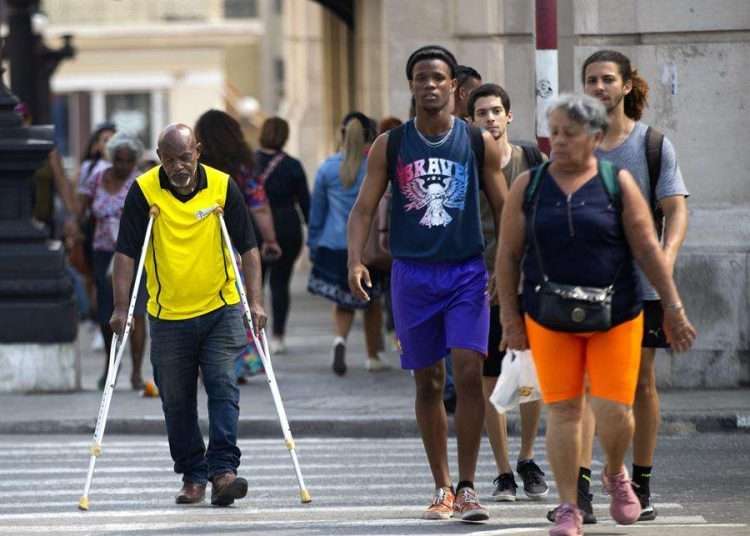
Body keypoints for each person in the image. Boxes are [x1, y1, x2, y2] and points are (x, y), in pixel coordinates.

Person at [496, 93, 696, 536]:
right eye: (555, 132)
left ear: (596, 138)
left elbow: (647, 249)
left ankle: (614, 473)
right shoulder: (527, 186)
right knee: (564, 411)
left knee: (613, 411)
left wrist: (673, 308)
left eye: (570, 133)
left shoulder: (617, 182)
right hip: (549, 316)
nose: (559, 141)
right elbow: (508, 257)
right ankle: (569, 506)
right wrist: (511, 321)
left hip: (616, 314)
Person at [347, 45, 508, 523]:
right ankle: (441, 487)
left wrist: (503, 266)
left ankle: (468, 487)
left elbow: (505, 211)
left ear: (454, 86)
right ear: (412, 85)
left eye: (439, 77)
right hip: (412, 274)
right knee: (428, 380)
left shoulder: (478, 141)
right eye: (421, 78)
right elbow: (361, 208)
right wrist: (356, 260)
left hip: (465, 271)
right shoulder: (391, 145)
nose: (430, 85)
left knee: (467, 369)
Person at [111, 124, 265, 507]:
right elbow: (126, 253)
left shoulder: (222, 186)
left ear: (197, 150)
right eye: (169, 159)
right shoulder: (144, 191)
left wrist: (256, 302)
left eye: (185, 157)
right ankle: (193, 475)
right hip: (167, 314)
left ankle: (224, 472)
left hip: (220, 306)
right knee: (176, 400)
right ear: (159, 158)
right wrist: (119, 307)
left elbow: (248, 249)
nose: (178, 166)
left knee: (223, 385)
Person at [575, 49, 690, 523]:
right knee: (582, 386)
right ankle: (578, 488)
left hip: (639, 286)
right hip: (580, 286)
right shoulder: (573, 143)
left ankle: (639, 482)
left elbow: (677, 207)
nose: (599, 88)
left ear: (625, 86)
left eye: (607, 79)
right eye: (591, 80)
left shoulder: (652, 145)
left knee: (639, 385)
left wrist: (665, 259)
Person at [467, 82, 548, 502]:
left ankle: (528, 457)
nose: (491, 118)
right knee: (491, 378)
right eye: (482, 112)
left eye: (497, 110)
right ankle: (502, 472)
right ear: (471, 121)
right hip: (481, 283)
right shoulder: (467, 163)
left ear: (509, 116)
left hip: (529, 282)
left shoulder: (531, 158)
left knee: (530, 373)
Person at [308, 112, 389, 375]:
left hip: (334, 244)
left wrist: (313, 243)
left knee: (343, 300)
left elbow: (317, 211)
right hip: (368, 246)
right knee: (371, 300)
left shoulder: (328, 168)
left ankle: (340, 340)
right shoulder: (375, 167)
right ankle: (372, 355)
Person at [77, 132, 148, 391]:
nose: (123, 166)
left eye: (129, 161)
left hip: (133, 252)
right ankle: (110, 365)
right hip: (103, 251)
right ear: (112, 158)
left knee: (136, 311)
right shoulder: (98, 177)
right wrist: (73, 226)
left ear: (135, 161)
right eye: (118, 160)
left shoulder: (140, 182)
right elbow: (82, 206)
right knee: (107, 311)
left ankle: (137, 372)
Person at [441, 64, 484, 416]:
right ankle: (450, 386)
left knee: (470, 358)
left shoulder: (477, 141)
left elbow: (504, 207)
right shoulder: (412, 139)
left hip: (473, 263)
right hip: (425, 264)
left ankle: (456, 386)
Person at [194, 109, 282, 261]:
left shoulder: (194, 168)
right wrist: (270, 240)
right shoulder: (244, 167)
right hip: (236, 239)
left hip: (198, 240)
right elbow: (259, 208)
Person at [255, 117, 311, 354]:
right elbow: (306, 203)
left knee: (254, 284)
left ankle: (257, 336)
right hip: (288, 226)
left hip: (256, 226)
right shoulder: (293, 165)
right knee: (280, 283)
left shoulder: (250, 163)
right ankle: (278, 335)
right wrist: (313, 231)